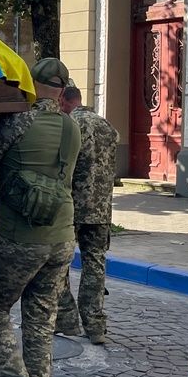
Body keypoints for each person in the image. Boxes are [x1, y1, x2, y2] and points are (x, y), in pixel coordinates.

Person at [0, 58, 80, 377]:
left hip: (19, 237)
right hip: (61, 237)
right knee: (40, 322)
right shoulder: (72, 126)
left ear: (31, 85)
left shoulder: (18, 120)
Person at [55, 85, 120, 345]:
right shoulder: (107, 126)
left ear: (64, 100)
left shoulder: (68, 125)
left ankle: (67, 319)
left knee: (59, 264)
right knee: (95, 265)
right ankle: (95, 326)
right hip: (100, 210)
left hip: (70, 208)